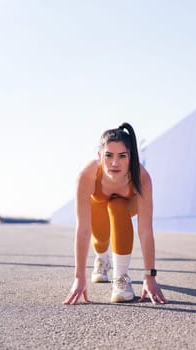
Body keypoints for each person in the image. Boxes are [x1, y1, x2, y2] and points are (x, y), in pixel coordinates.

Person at [63, 122, 167, 305]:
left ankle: (120, 277)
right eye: (108, 155)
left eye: (122, 156)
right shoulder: (87, 174)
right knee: (101, 239)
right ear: (99, 155)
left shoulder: (142, 177)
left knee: (117, 205)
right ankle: (102, 259)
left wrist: (149, 276)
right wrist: (79, 277)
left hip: (127, 206)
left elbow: (145, 230)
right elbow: (83, 230)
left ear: (131, 157)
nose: (115, 163)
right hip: (99, 203)